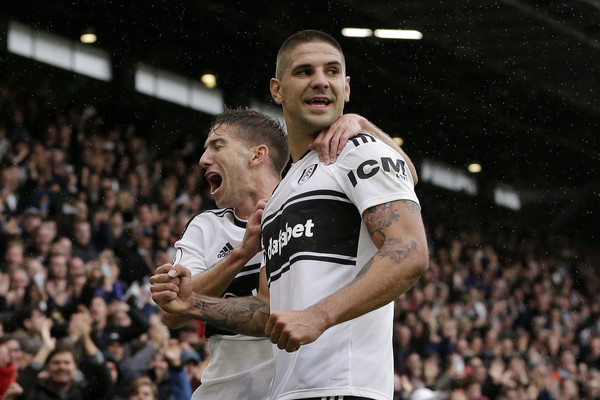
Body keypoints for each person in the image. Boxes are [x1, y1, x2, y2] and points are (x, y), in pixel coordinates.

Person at [152, 30, 428, 400]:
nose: (320, 81)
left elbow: (410, 249)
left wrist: (319, 316)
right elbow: (270, 313)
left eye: (332, 72)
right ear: (277, 90)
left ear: (346, 88)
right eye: (304, 71)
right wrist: (194, 303)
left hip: (346, 388)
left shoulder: (358, 150)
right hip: (289, 392)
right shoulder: (283, 193)